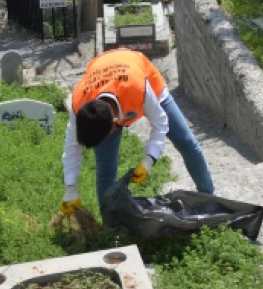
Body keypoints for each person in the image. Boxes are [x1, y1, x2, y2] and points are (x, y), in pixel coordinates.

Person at [59, 48, 214, 221]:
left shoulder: (137, 88)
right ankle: (111, 225)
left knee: (186, 142)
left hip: (140, 78)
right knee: (105, 170)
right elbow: (72, 146)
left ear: (115, 123)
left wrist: (150, 158)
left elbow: (161, 122)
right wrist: (70, 187)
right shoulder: (80, 103)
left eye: (105, 137)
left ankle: (209, 199)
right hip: (103, 72)